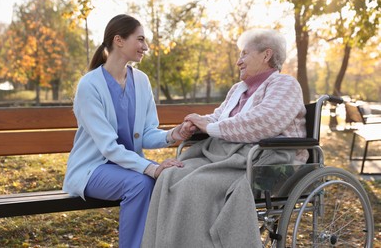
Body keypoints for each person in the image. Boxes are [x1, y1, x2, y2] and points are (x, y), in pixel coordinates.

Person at [142, 29, 307, 248]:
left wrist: (209, 126)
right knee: (169, 176)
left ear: (266, 55)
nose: (239, 62)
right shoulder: (238, 89)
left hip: (268, 161)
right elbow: (219, 117)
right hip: (228, 155)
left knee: (196, 185)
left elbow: (264, 122)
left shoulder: (284, 84)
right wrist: (196, 122)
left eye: (244, 54)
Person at [62, 14, 191, 248]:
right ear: (119, 40)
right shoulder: (89, 85)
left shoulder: (141, 81)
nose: (146, 47)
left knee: (171, 178)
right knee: (141, 184)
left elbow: (146, 132)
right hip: (93, 169)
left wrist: (174, 134)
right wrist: (152, 168)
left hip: (126, 167)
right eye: (140, 39)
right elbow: (108, 147)